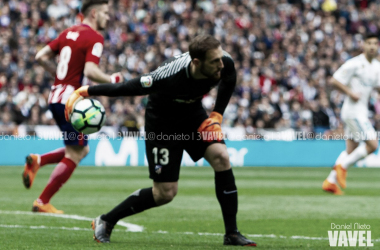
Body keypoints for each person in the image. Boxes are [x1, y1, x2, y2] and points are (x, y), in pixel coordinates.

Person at [65, 35, 257, 246]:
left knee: (221, 157)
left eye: (221, 59)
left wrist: (217, 114)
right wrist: (85, 91)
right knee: (165, 193)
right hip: (162, 123)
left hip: (192, 115)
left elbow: (229, 78)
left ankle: (232, 233)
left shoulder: (224, 62)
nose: (221, 65)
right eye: (214, 62)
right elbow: (129, 87)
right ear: (196, 63)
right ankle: (106, 220)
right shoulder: (167, 75)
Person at [22, 0, 123, 213]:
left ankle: (38, 160)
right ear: (94, 13)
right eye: (105, 13)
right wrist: (112, 80)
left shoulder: (67, 33)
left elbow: (40, 57)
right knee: (76, 153)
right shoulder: (95, 37)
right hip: (71, 100)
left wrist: (59, 76)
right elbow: (92, 71)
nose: (108, 17)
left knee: (79, 149)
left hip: (56, 96)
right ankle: (42, 201)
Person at [322, 33, 380, 195]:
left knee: (351, 148)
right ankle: (342, 166)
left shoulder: (376, 67)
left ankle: (330, 181)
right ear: (363, 45)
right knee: (373, 145)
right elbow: (334, 80)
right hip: (353, 111)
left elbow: (377, 87)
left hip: (360, 111)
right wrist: (349, 92)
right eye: (369, 43)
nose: (372, 46)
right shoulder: (354, 64)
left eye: (375, 43)